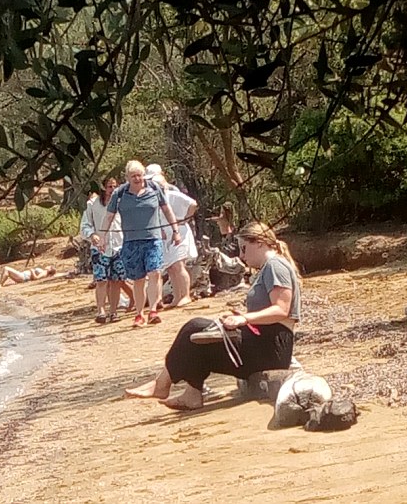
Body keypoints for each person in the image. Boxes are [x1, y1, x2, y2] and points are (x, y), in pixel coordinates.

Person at [125, 221, 301, 409]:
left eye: (243, 248)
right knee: (200, 336)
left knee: (195, 326)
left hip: (271, 348)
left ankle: (162, 385)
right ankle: (192, 394)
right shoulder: (269, 268)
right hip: (264, 342)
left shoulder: (275, 266)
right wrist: (241, 319)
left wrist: (244, 319)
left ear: (259, 243)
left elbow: (281, 309)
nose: (242, 256)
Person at [101, 160, 181, 328]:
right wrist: (102, 236)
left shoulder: (154, 188)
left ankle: (153, 311)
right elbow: (109, 216)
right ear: (127, 177)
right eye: (133, 176)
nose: (137, 179)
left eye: (139, 175)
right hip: (131, 242)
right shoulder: (119, 194)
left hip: (153, 239)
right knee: (138, 279)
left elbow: (167, 209)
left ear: (144, 175)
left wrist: (175, 230)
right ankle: (139, 314)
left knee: (155, 272)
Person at [144, 165, 198, 308]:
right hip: (164, 235)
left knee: (178, 265)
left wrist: (185, 219)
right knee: (171, 267)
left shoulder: (173, 194)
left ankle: (186, 295)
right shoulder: (153, 200)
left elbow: (193, 204)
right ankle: (177, 296)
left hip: (178, 232)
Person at [81, 176, 131, 323]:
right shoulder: (93, 204)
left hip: (119, 246)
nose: (112, 190)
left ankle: (113, 312)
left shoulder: (123, 203)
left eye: (115, 186)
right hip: (100, 248)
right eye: (109, 187)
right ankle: (101, 311)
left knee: (116, 281)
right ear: (103, 187)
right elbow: (85, 225)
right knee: (101, 280)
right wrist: (92, 235)